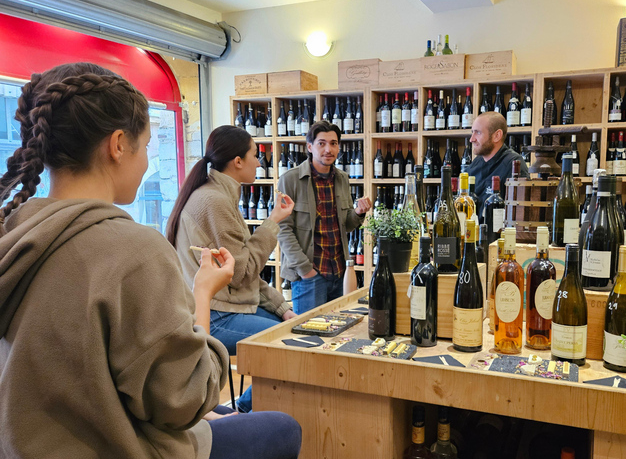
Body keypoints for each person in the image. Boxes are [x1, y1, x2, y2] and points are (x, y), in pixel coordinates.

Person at [0, 63, 301, 459]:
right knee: (283, 429)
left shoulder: (15, 235)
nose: (145, 163)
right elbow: (186, 400)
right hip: (118, 445)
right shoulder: (132, 248)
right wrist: (203, 293)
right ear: (118, 144)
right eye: (144, 148)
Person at [166, 125, 296, 412]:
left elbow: (242, 270)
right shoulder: (214, 202)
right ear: (237, 162)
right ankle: (245, 411)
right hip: (219, 315)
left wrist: (280, 307)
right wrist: (273, 222)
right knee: (287, 344)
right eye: (254, 155)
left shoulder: (219, 196)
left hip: (229, 307)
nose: (259, 162)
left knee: (291, 329)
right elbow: (241, 273)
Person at [277, 121, 371, 314]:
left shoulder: (342, 179)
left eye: (334, 143)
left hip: (339, 272)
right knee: (310, 337)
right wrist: (305, 270)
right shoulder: (290, 180)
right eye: (322, 143)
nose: (328, 149)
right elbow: (282, 228)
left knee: (339, 334)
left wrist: (359, 213)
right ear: (310, 147)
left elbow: (345, 225)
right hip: (310, 276)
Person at [467, 111, 529, 208]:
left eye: (478, 132)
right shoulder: (475, 164)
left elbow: (520, 211)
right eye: (472, 132)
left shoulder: (514, 164)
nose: (472, 139)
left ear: (497, 136)